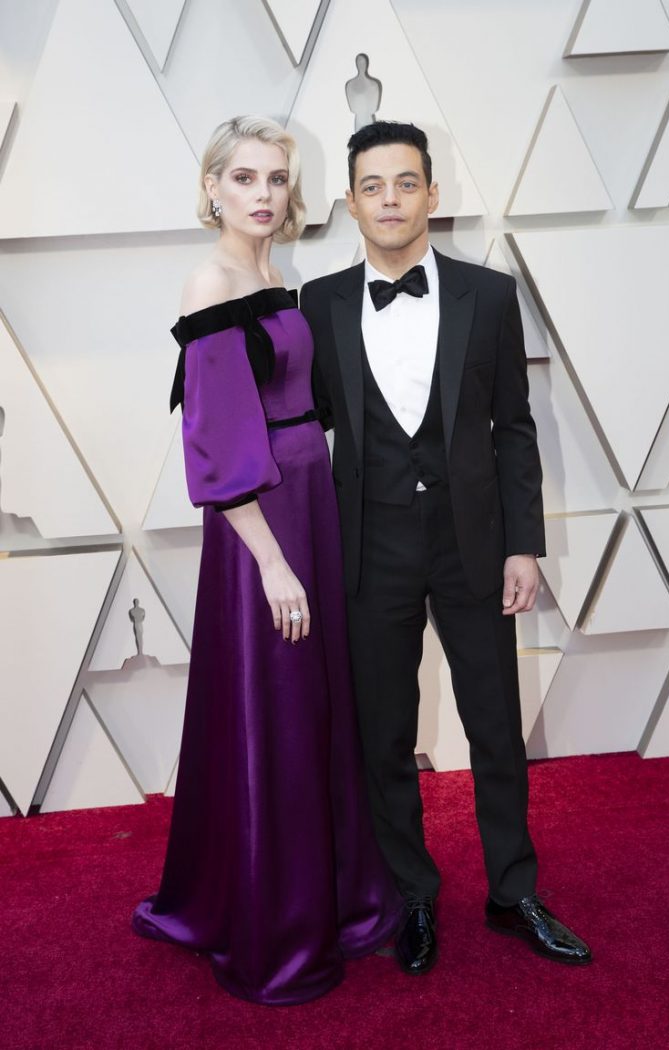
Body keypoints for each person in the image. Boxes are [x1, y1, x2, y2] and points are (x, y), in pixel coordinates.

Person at [300, 121, 591, 975]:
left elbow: (515, 428)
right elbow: (304, 423)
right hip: (369, 547)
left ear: (433, 193)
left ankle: (513, 893)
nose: (389, 199)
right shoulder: (317, 303)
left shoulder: (489, 296)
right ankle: (412, 895)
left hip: (475, 545)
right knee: (384, 734)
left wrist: (524, 546)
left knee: (495, 726)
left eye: (405, 183)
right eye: (372, 186)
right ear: (350, 202)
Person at [132, 116, 400, 1006]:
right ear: (211, 187)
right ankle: (277, 927)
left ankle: (326, 895)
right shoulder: (210, 282)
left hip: (308, 502)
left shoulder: (273, 274)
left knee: (312, 705)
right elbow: (215, 443)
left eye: (276, 179)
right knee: (275, 709)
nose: (262, 193)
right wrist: (274, 565)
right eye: (244, 177)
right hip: (263, 524)